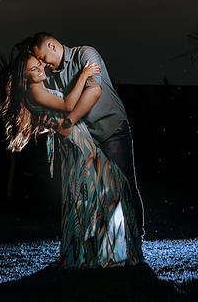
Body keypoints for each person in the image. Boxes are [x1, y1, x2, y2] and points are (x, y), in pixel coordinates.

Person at [0, 50, 143, 268]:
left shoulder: (39, 88)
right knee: (98, 191)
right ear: (25, 76)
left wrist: (49, 123)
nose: (40, 69)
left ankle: (103, 250)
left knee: (94, 193)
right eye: (33, 69)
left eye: (39, 64)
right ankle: (99, 252)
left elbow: (51, 115)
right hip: (76, 142)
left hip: (77, 139)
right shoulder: (34, 92)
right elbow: (67, 105)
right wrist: (84, 76)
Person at [30, 32, 145, 239]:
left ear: (52, 46)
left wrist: (68, 123)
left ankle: (136, 237)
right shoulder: (50, 76)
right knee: (97, 192)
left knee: (125, 185)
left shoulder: (85, 54)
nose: (43, 64)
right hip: (84, 140)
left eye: (42, 58)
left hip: (111, 130)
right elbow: (55, 104)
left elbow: (94, 92)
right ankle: (107, 241)